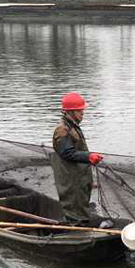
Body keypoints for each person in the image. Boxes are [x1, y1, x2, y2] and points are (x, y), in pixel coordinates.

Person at [51, 92, 104, 227]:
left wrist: (89, 157)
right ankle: (76, 230)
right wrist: (88, 157)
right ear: (70, 111)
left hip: (79, 175)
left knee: (81, 203)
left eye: (82, 110)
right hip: (70, 177)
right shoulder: (62, 129)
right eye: (80, 110)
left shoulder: (72, 125)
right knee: (73, 206)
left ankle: (82, 224)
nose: (82, 113)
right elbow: (67, 153)